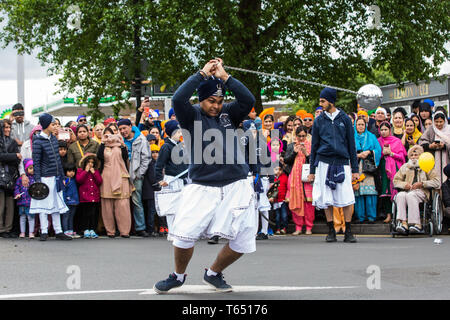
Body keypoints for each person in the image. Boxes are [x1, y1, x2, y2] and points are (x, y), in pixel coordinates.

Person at [153, 58, 256, 293]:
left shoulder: (230, 114)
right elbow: (179, 98)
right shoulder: (191, 116)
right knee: (184, 236)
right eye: (211, 101)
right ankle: (178, 276)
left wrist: (224, 76)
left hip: (236, 183)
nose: (216, 106)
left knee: (243, 240)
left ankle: (213, 273)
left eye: (220, 101)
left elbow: (248, 100)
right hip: (203, 185)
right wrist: (201, 74)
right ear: (201, 99)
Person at [308, 87, 359, 243]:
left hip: (342, 161)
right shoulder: (319, 121)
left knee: (347, 197)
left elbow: (351, 145)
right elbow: (314, 146)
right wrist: (312, 170)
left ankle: (348, 231)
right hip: (323, 162)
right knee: (326, 198)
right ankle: (331, 230)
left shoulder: (344, 119)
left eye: (323, 101)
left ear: (330, 101)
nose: (321, 104)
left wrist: (355, 169)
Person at [30, 113, 72, 241]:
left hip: (56, 177)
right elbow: (36, 162)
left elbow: (58, 160)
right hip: (44, 177)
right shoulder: (38, 141)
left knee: (56, 204)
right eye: (53, 124)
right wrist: (38, 180)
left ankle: (58, 231)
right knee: (43, 204)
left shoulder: (54, 139)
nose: (55, 127)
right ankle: (44, 231)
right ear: (45, 125)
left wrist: (62, 176)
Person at [393, 145, 440, 234]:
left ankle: (416, 224)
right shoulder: (405, 167)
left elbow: (436, 182)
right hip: (407, 191)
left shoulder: (427, 166)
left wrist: (422, 183)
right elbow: (396, 181)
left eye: (416, 155)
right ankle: (403, 223)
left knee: (411, 195)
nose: (414, 157)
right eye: (412, 155)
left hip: (422, 192)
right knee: (400, 195)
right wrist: (404, 185)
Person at [97, 127, 133, 238]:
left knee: (123, 205)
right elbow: (99, 157)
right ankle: (110, 231)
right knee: (107, 205)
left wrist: (121, 144)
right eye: (106, 135)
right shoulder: (103, 146)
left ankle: (124, 231)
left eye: (110, 135)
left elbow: (125, 157)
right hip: (107, 176)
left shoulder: (121, 146)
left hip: (121, 176)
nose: (109, 137)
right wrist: (103, 142)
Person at [155, 120, 189, 236]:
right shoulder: (166, 147)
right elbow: (159, 165)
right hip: (171, 180)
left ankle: (180, 231)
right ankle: (173, 233)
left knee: (181, 207)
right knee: (171, 208)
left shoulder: (180, 146)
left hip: (182, 180)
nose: (180, 133)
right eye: (177, 131)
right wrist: (160, 180)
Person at [118, 118, 151, 237]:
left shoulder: (141, 139)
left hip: (136, 175)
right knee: (122, 202)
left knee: (136, 201)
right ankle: (124, 228)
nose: (122, 131)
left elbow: (146, 158)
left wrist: (139, 174)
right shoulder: (119, 140)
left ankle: (140, 227)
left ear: (130, 126)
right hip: (122, 175)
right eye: (120, 129)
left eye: (124, 128)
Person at [284, 126, 315, 234]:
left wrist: (306, 153)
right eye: (299, 136)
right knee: (295, 200)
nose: (301, 138)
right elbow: (286, 160)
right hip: (294, 178)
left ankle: (309, 227)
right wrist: (294, 152)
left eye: (303, 136)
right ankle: (298, 227)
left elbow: (314, 162)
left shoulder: (311, 146)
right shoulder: (291, 146)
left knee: (308, 203)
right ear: (295, 136)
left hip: (307, 178)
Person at [377, 121, 407, 224]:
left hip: (395, 169)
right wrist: (382, 153)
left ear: (390, 130)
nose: (383, 132)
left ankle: (399, 214)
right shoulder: (378, 141)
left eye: (386, 129)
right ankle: (388, 214)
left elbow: (402, 157)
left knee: (396, 190)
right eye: (382, 130)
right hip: (383, 169)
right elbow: (375, 156)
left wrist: (391, 153)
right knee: (385, 192)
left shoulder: (396, 141)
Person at [353, 117, 382, 223]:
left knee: (370, 192)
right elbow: (347, 151)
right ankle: (360, 216)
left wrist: (369, 152)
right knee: (358, 192)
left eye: (362, 124)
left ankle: (371, 216)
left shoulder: (371, 136)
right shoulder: (351, 137)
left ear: (365, 125)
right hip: (356, 167)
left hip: (368, 167)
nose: (360, 126)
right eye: (358, 124)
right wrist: (358, 155)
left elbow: (378, 150)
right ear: (355, 126)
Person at [0, 119, 21, 238]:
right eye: (5, 127)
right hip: (1, 177)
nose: (7, 129)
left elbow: (18, 159)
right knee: (1, 205)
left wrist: (10, 157)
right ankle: (1, 228)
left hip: (11, 176)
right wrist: (13, 156)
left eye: (9, 127)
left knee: (10, 205)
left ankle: (7, 229)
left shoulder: (13, 142)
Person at [419, 110, 450, 184]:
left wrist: (445, 146)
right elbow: (422, 141)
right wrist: (430, 145)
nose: (438, 124)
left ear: (444, 121)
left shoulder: (449, 129)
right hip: (434, 158)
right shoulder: (431, 129)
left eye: (441, 122)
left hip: (447, 158)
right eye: (436, 122)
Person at [76, 153, 102, 239]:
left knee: (93, 214)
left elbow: (99, 181)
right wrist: (86, 171)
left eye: (92, 162)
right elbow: (79, 180)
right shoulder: (80, 171)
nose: (90, 164)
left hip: (94, 197)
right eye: (88, 162)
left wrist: (94, 173)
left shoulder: (96, 171)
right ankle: (85, 229)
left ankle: (92, 229)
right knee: (85, 214)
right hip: (85, 197)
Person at [142, 143, 161, 237]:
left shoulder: (155, 163)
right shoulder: (151, 164)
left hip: (151, 191)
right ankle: (151, 229)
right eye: (153, 152)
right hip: (151, 191)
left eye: (157, 152)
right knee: (151, 211)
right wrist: (158, 186)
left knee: (152, 211)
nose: (155, 154)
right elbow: (153, 178)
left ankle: (152, 228)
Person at [14, 158, 35, 238]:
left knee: (31, 218)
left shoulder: (34, 179)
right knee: (22, 217)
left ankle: (31, 232)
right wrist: (17, 194)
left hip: (31, 202)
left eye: (33, 168)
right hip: (22, 201)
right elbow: (17, 188)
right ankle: (22, 232)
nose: (32, 170)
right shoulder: (20, 179)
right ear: (26, 169)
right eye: (30, 168)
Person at [62, 162, 80, 238]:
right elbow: (63, 191)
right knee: (66, 216)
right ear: (65, 172)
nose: (72, 173)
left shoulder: (75, 180)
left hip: (74, 201)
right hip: (67, 201)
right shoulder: (66, 180)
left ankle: (70, 230)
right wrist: (64, 200)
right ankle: (65, 231)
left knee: (71, 217)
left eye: (73, 171)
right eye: (69, 171)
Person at [269, 166, 288, 234]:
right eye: (276, 169)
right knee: (277, 216)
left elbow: (287, 187)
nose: (278, 171)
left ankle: (284, 227)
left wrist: (287, 196)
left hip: (282, 199)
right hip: (275, 200)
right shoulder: (272, 178)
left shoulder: (284, 177)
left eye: (280, 170)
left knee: (284, 215)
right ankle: (278, 228)